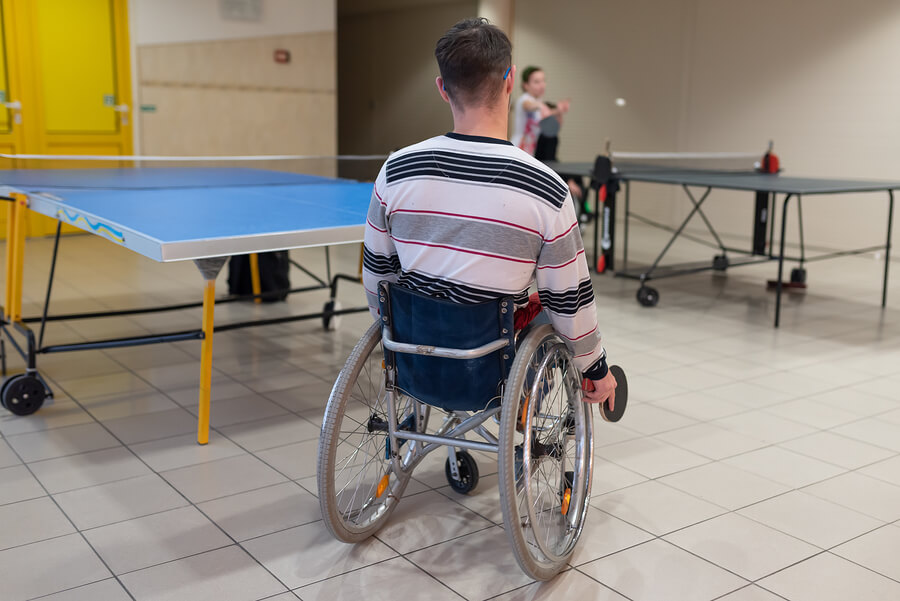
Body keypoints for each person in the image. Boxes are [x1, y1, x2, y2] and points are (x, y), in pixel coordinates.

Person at [361, 18, 616, 407]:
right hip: (493, 369)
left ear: (442, 88)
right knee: (549, 304)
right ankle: (524, 407)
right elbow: (569, 299)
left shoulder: (396, 169)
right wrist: (595, 367)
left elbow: (378, 277)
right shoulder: (546, 187)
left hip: (415, 355)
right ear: (510, 81)